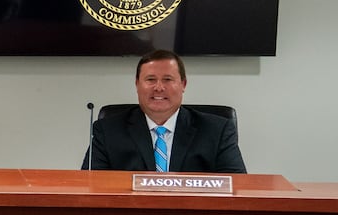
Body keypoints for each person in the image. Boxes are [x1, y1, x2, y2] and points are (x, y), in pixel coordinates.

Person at [84, 49, 245, 173]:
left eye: (168, 80)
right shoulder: (108, 131)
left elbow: (237, 187)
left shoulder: (216, 131)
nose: (159, 88)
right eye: (150, 80)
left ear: (183, 85)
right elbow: (90, 186)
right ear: (137, 84)